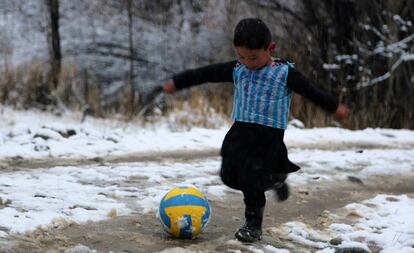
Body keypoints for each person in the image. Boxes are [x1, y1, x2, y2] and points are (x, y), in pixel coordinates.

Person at [162, 18, 349, 242]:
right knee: (229, 176)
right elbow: (205, 74)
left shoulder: (284, 73)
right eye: (241, 56)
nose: (247, 62)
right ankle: (275, 178)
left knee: (251, 177)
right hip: (241, 131)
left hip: (268, 136)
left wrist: (333, 106)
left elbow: (311, 91)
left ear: (270, 48)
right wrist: (178, 82)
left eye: (253, 57)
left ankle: (253, 224)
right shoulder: (237, 69)